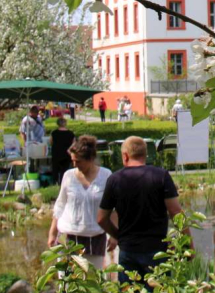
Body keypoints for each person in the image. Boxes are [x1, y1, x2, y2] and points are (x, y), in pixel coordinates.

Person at [98, 136, 182, 285]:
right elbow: (176, 212)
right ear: (145, 154)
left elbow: (101, 218)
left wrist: (118, 236)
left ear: (125, 156)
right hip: (157, 251)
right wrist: (187, 245)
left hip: (128, 250)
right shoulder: (161, 175)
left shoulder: (115, 179)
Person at [49, 136, 113, 268]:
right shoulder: (68, 176)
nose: (74, 165)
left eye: (78, 161)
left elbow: (114, 208)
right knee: (67, 283)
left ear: (90, 159)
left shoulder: (106, 175)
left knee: (93, 282)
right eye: (73, 161)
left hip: (95, 237)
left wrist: (114, 235)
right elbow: (60, 205)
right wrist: (52, 233)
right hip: (68, 236)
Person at [50, 118, 77, 185]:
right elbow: (74, 142)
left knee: (55, 168)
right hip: (66, 153)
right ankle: (63, 182)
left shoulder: (54, 133)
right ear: (65, 123)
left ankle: (55, 182)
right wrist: (69, 149)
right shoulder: (70, 133)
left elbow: (51, 142)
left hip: (56, 152)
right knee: (64, 169)